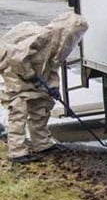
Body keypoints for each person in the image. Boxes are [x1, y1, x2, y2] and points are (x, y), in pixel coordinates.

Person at [0, 12, 88, 164]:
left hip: (31, 72)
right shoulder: (42, 37)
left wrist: (53, 89)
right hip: (13, 69)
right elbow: (17, 59)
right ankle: (17, 152)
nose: (74, 38)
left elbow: (51, 68)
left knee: (42, 103)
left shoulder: (59, 46)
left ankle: (41, 144)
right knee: (19, 106)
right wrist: (30, 75)